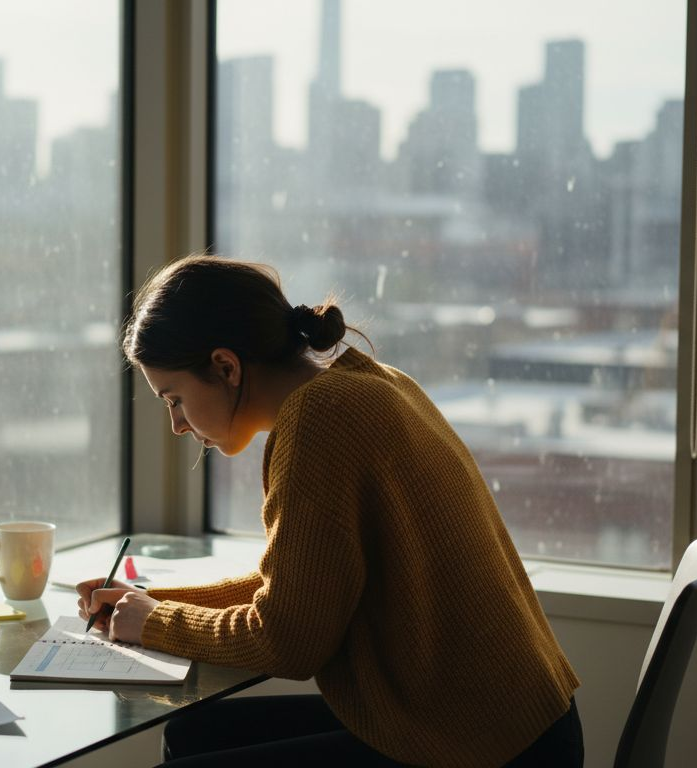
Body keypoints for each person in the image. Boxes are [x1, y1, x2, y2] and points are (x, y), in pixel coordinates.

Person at [77, 255, 583, 767]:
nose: (177, 425)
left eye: (174, 399)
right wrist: (147, 603)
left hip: (485, 746)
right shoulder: (373, 382)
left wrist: (158, 622)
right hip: (518, 722)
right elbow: (303, 588)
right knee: (191, 734)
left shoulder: (319, 420)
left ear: (226, 367)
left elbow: (287, 642)